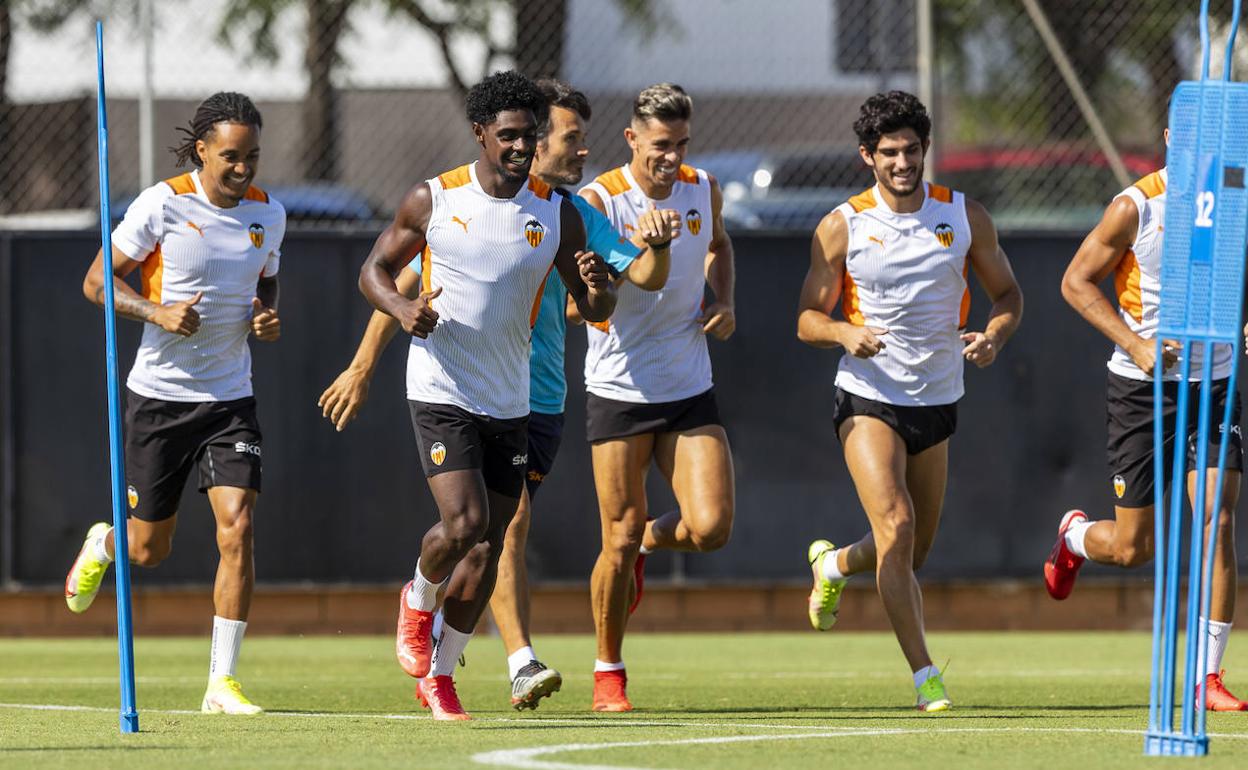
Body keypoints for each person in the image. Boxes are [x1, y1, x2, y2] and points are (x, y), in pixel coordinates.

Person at [318, 78, 676, 710]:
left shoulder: (557, 212)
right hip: (441, 386)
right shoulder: (436, 198)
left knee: (489, 542)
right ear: (480, 134)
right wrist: (402, 313)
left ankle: (442, 674)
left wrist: (598, 285)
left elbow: (597, 303)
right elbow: (375, 271)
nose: (518, 145)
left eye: (528, 135)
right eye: (506, 135)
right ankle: (418, 599)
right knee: (468, 522)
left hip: (515, 399)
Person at [796, 91, 1022, 712]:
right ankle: (927, 678)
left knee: (910, 548)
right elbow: (807, 319)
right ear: (867, 156)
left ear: (926, 150)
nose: (903, 162)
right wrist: (846, 332)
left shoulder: (964, 215)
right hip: (868, 396)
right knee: (895, 526)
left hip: (940, 399)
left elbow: (1008, 296)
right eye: (889, 152)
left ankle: (835, 565)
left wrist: (994, 337)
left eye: (912, 150)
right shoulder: (843, 225)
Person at [65, 92, 285, 715]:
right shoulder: (161, 204)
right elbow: (95, 281)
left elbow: (266, 279)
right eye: (231, 158)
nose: (244, 170)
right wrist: (154, 310)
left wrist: (267, 316)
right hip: (159, 399)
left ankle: (222, 683)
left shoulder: (271, 214)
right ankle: (105, 543)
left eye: (253, 157)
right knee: (147, 551)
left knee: (238, 527)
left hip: (230, 399)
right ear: (202, 151)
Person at [1046, 147, 1247, 710]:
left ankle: (1208, 678)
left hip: (1215, 382)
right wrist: (1136, 345)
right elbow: (1075, 282)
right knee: (1135, 548)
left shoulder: (1237, 199)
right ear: (1169, 136)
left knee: (1217, 517)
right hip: (1142, 388)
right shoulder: (1135, 207)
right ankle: (1075, 539)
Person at [578, 83, 736, 712]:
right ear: (632, 139)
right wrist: (649, 246)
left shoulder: (704, 187)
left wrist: (723, 299)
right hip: (619, 388)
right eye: (661, 145)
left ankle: (651, 540)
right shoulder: (600, 200)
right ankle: (608, 669)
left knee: (711, 527)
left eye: (682, 144)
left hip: (688, 382)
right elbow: (591, 298)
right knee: (613, 538)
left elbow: (721, 244)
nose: (672, 158)